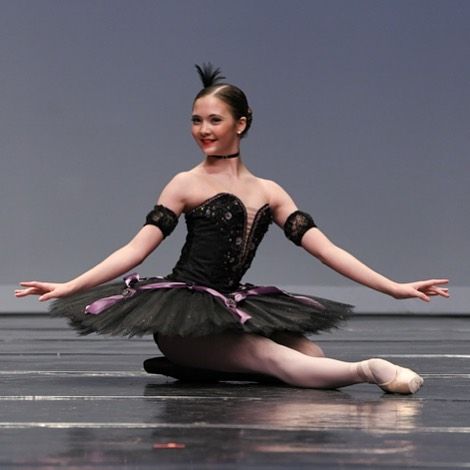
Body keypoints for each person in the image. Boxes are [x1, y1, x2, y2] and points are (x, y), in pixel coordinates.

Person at [16, 64, 449, 394]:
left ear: (241, 124)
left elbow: (326, 249)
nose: (203, 130)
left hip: (235, 305)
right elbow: (135, 250)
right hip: (185, 314)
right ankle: (369, 369)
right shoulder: (185, 183)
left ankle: (204, 369)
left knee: (310, 356)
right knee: (273, 359)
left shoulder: (270, 192)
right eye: (196, 120)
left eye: (214, 120)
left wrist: (393, 287)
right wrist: (71, 285)